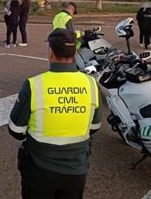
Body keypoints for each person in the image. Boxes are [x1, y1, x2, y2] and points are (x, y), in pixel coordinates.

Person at [8, 29, 101, 199]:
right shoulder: (91, 84)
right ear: (75, 53)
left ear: (50, 52)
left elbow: (16, 130)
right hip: (76, 170)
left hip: (39, 170)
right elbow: (94, 127)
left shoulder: (33, 85)